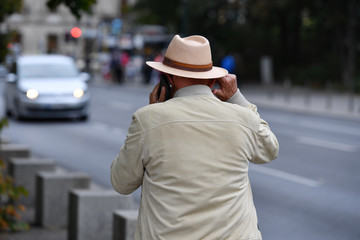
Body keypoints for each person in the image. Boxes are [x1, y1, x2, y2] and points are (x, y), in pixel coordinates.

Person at [111, 34, 279, 240]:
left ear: (167, 80)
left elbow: (121, 182)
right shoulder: (242, 118)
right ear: (211, 79)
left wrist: (154, 114)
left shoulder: (148, 120)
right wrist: (237, 98)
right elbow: (270, 149)